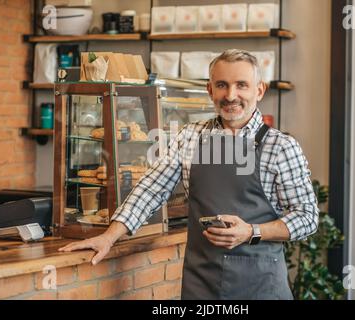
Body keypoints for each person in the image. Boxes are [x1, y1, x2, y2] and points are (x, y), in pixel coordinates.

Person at [59, 49, 319, 300]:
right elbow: (152, 189)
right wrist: (108, 237)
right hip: (201, 283)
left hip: (259, 285)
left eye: (241, 85)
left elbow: (307, 217)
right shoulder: (190, 136)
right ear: (210, 90)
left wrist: (252, 231)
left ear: (259, 90)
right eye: (221, 85)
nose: (231, 95)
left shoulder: (281, 146)